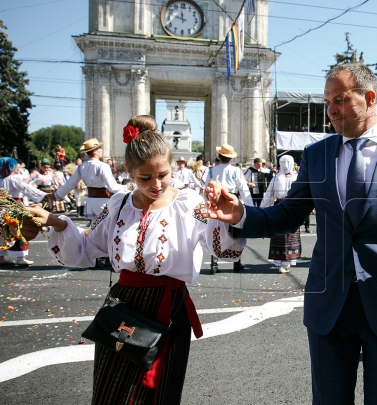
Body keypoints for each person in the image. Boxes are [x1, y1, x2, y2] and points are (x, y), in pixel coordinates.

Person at [204, 63, 377, 404]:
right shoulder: (316, 155)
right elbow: (288, 215)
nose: (331, 111)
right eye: (328, 102)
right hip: (328, 306)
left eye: (339, 99)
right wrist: (240, 213)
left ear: (369, 98)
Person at [27, 125, 244, 405]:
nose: (156, 184)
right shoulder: (117, 205)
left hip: (167, 309)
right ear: (130, 173)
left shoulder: (188, 203)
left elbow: (221, 248)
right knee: (112, 390)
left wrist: (232, 218)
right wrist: (56, 222)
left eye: (163, 175)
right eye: (145, 177)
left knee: (158, 393)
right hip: (122, 307)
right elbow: (85, 249)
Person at [0, 157, 50, 266]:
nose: (18, 167)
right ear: (11, 167)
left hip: (0, 208)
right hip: (14, 207)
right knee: (19, 231)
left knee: (2, 232)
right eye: (15, 165)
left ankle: (0, 257)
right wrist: (43, 195)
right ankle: (20, 258)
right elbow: (26, 189)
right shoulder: (14, 178)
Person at [203, 143, 252, 271]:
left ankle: (214, 263)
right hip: (231, 204)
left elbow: (205, 190)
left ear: (219, 156)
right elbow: (243, 189)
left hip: (216, 203)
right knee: (235, 231)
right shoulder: (236, 171)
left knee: (215, 233)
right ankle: (237, 262)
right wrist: (250, 207)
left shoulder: (212, 170)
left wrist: (207, 203)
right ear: (231, 158)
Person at [260, 155, 301, 273]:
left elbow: (268, 195)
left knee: (284, 233)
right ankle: (284, 262)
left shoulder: (278, 178)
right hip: (290, 208)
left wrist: (262, 209)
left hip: (281, 207)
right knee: (285, 234)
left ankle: (283, 262)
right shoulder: (294, 178)